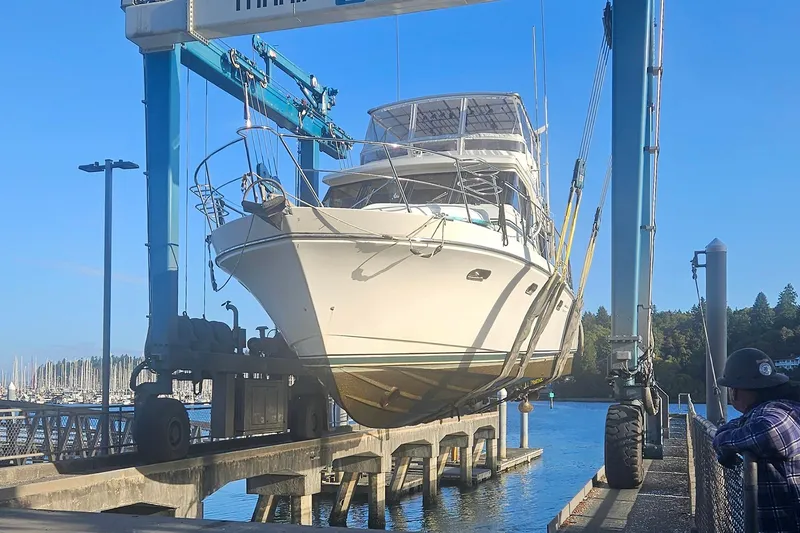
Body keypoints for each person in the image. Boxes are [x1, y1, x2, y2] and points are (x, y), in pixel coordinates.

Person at [712, 347, 800, 532]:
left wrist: (724, 442)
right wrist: (727, 436)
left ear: (735, 391)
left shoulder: (775, 412)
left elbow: (770, 432)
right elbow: (735, 425)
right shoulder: (780, 407)